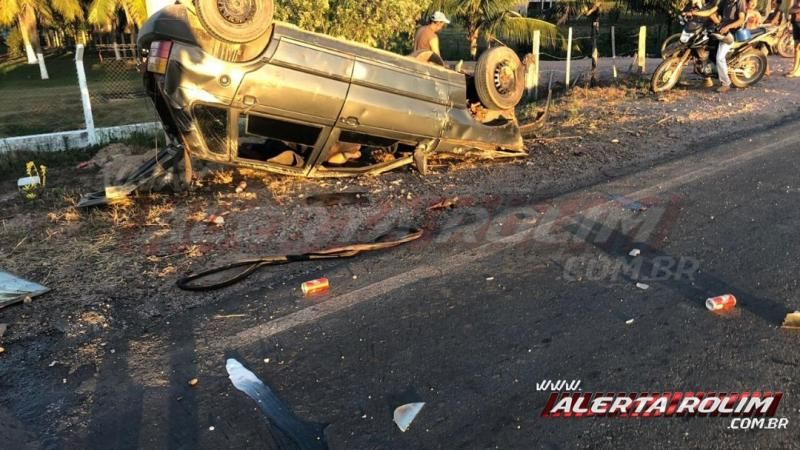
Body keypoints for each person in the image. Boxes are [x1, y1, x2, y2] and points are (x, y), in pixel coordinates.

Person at [788, 0, 800, 76]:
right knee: (796, 49)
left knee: (798, 48)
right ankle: (795, 69)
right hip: (796, 25)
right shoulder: (796, 1)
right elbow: (790, 10)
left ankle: (797, 70)